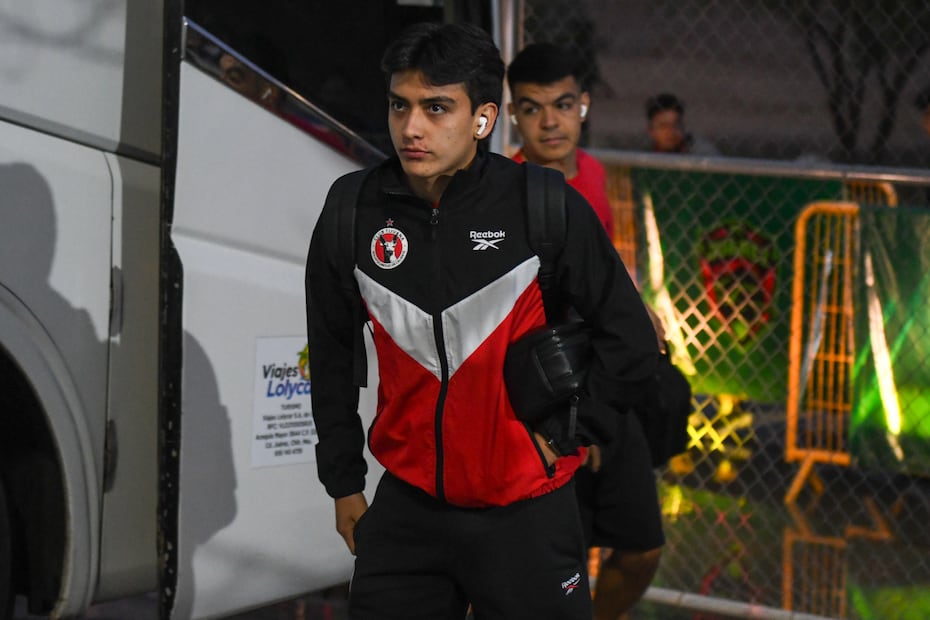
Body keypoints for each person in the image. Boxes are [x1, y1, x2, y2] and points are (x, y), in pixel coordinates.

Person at [306, 22, 659, 620]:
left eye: (436, 108)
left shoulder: (543, 205)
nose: (411, 127)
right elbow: (333, 353)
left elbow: (631, 340)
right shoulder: (351, 209)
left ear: (483, 119)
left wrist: (560, 440)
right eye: (400, 105)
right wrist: (343, 480)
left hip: (526, 509)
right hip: (407, 513)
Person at [508, 42, 665, 620]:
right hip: (543, 400)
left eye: (563, 104)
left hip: (606, 381)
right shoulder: (505, 190)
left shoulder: (594, 173)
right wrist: (573, 423)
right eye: (532, 108)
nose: (550, 121)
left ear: (585, 105)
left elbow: (601, 272)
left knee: (642, 548)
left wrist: (634, 305)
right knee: (550, 570)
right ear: (512, 113)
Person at [645, 92, 718, 155]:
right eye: (663, 126)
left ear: (683, 126)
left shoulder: (702, 153)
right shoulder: (644, 156)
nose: (671, 131)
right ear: (651, 130)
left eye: (676, 124)